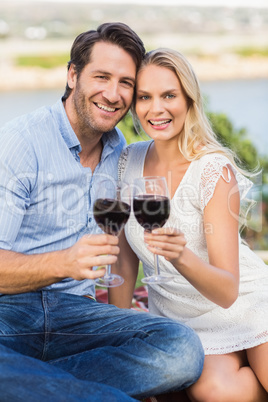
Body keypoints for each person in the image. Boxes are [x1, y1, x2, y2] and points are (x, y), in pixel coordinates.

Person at [0, 24, 204, 401]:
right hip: (9, 313)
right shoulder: (21, 143)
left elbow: (122, 245)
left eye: (126, 82)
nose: (113, 94)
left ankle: (31, 383)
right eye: (101, 77)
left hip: (78, 314)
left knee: (181, 349)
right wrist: (62, 263)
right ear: (73, 75)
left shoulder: (118, 149)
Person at [113, 48, 268, 401]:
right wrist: (118, 330)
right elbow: (124, 259)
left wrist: (181, 256)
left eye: (169, 95)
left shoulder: (213, 170)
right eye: (144, 97)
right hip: (186, 324)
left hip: (246, 306)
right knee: (215, 391)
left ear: (189, 99)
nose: (157, 109)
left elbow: (228, 290)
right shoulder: (127, 161)